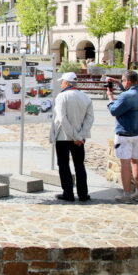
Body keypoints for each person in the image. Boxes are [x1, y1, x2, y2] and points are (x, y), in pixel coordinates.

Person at [49, 72, 94, 202]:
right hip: (79, 138)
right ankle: (83, 194)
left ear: (67, 83)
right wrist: (80, 135)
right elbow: (90, 118)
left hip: (64, 137)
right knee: (79, 165)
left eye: (62, 82)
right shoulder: (85, 97)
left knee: (63, 165)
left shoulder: (62, 96)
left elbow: (62, 118)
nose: (61, 84)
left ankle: (68, 193)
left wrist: (75, 136)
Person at [107, 70, 138, 203]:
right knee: (136, 160)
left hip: (125, 133)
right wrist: (119, 83)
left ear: (129, 81)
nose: (123, 83)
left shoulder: (126, 96)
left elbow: (114, 110)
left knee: (125, 163)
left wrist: (110, 98)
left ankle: (126, 194)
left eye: (124, 81)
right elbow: (129, 94)